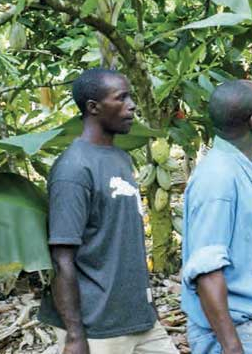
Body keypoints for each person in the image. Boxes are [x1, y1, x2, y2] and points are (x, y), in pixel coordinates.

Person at [38, 69, 178, 354]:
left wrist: (147, 308)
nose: (132, 105)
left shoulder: (120, 157)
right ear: (93, 107)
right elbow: (61, 258)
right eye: (121, 98)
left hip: (137, 319)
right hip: (97, 326)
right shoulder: (73, 169)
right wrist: (75, 336)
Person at [181, 80, 252, 354]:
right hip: (240, 334)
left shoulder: (243, 168)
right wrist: (231, 346)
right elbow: (207, 272)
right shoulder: (218, 179)